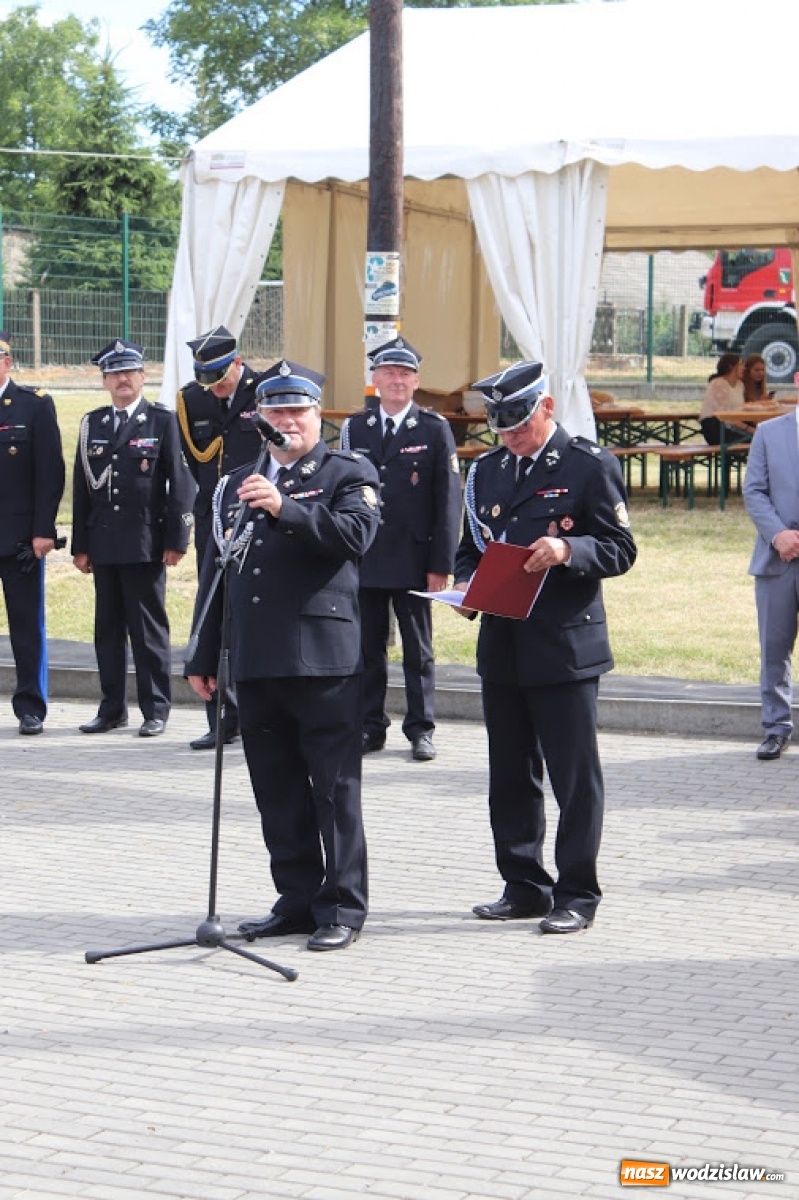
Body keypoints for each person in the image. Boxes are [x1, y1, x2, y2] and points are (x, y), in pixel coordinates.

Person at [186, 361, 380, 952]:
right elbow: (219, 570)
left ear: (317, 415)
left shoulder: (349, 471)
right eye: (276, 412)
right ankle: (295, 899)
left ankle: (343, 906)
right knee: (275, 788)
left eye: (297, 411)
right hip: (257, 657)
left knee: (333, 790)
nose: (287, 422)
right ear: (260, 419)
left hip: (323, 661)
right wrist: (203, 651)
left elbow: (354, 538)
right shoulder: (236, 482)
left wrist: (285, 508)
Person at [454, 361, 636, 935]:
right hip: (503, 645)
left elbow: (620, 548)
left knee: (573, 776)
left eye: (521, 424)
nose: (511, 436)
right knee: (510, 773)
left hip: (563, 646)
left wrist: (568, 550)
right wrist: (464, 589)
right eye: (501, 428)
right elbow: (470, 551)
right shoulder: (486, 472)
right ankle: (523, 884)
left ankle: (577, 892)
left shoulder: (587, 466)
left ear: (548, 408)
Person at [340, 337, 463, 762]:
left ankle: (421, 728)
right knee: (366, 647)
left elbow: (448, 502)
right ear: (374, 379)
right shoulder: (356, 428)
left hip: (414, 558)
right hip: (367, 556)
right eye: (389, 372)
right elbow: (344, 491)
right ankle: (370, 726)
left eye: (405, 373)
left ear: (416, 381)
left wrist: (441, 563)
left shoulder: (434, 429)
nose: (397, 380)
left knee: (418, 649)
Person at [72, 339, 195, 738]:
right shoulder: (92, 423)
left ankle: (155, 708)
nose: (123, 379)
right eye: (115, 373)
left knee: (148, 630)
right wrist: (81, 545)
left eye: (130, 372)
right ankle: (111, 709)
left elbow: (180, 484)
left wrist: (177, 538)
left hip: (145, 542)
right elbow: (81, 487)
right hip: (104, 542)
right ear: (105, 380)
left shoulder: (161, 421)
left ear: (143, 377)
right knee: (107, 629)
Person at [177, 325, 267, 750]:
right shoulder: (190, 399)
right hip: (214, 521)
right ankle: (221, 717)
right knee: (214, 611)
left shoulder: (266, 391)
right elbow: (193, 465)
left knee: (255, 614)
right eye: (205, 380)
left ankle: (258, 716)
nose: (213, 389)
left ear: (237, 362)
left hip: (261, 518)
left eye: (220, 378)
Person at [0, 331, 65, 735]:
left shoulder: (33, 405)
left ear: (6, 360)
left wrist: (43, 530)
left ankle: (31, 706)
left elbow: (50, 472)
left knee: (26, 623)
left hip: (19, 537)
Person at [742, 403, 799, 761]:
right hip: (778, 558)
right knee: (774, 650)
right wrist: (778, 535)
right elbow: (754, 491)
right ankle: (776, 728)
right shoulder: (768, 432)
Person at [699, 352, 753, 445]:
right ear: (730, 367)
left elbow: (740, 410)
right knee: (758, 440)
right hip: (716, 428)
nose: (743, 368)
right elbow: (725, 416)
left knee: (762, 438)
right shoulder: (719, 384)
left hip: (733, 426)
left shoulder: (740, 385)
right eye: (740, 364)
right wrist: (749, 429)